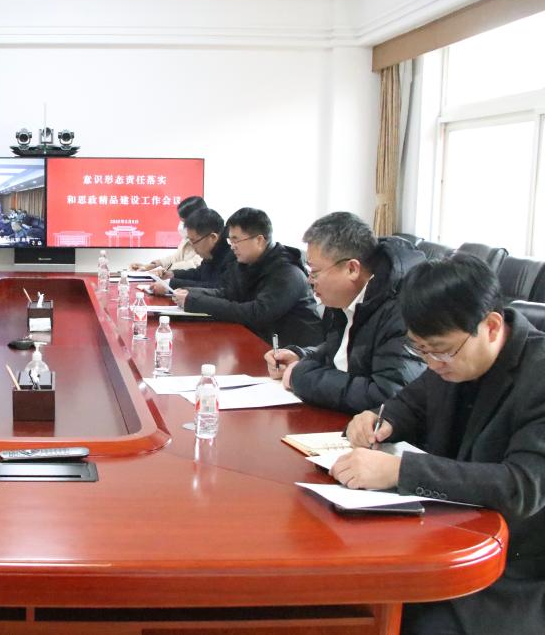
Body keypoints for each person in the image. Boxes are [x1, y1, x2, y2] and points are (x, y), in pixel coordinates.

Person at [333, 254, 545, 634]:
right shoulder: (453, 355)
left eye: (440, 351)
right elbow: (413, 402)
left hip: (508, 566)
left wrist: (401, 471)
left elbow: (522, 486)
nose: (432, 363)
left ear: (491, 326)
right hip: (444, 531)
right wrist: (380, 420)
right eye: (420, 350)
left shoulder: (538, 375)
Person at [264, 212, 426, 414]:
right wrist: (301, 357)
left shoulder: (402, 310)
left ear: (352, 269)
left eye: (315, 272)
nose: (309, 280)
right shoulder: (350, 298)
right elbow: (343, 353)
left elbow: (389, 395)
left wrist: (301, 377)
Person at [173, 207, 322, 346]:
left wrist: (197, 302)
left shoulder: (287, 272)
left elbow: (257, 313)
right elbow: (228, 293)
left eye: (236, 240)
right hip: (259, 343)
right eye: (230, 240)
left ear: (259, 240)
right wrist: (190, 293)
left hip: (295, 352)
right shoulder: (246, 263)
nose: (232, 246)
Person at [159, 206, 234, 292]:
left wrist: (171, 284)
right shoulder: (212, 251)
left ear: (213, 237)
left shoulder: (231, 257)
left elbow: (216, 288)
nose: (193, 247)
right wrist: (173, 274)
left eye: (194, 241)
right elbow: (199, 274)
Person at [130, 196, 206, 273]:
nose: (182, 226)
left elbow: (195, 264)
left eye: (184, 222)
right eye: (181, 221)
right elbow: (177, 257)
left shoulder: (207, 238)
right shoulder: (188, 236)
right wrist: (152, 265)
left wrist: (162, 270)